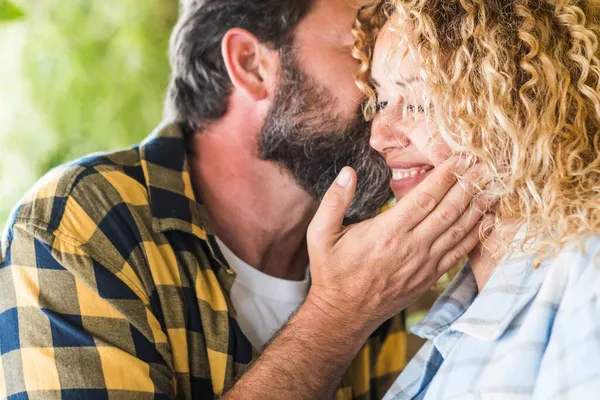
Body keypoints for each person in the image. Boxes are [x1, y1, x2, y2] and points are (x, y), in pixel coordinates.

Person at [0, 0, 486, 399]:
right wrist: (340, 315)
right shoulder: (78, 225)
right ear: (252, 65)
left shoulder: (377, 249)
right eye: (362, 51)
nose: (390, 84)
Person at [353, 0, 600, 398]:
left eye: (419, 101)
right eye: (381, 100)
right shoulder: (460, 312)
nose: (378, 136)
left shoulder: (588, 278)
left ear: (523, 105)